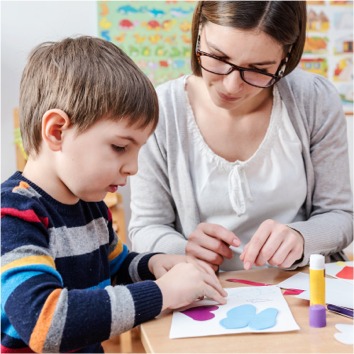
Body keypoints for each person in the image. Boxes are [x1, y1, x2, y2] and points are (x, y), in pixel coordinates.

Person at [1, 36, 227, 354]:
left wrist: (154, 265)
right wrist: (161, 293)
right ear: (56, 131)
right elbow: (44, 322)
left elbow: (116, 269)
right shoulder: (14, 215)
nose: (132, 167)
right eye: (120, 147)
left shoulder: (91, 207)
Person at [129, 1, 353, 272]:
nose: (231, 85)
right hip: (203, 295)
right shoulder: (160, 110)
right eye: (218, 58)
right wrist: (183, 249)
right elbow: (146, 228)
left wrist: (301, 237)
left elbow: (340, 216)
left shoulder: (314, 99)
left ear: (286, 58)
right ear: (199, 29)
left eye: (258, 69)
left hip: (302, 289)